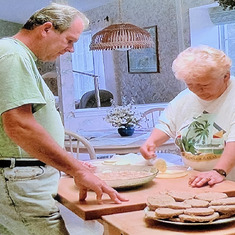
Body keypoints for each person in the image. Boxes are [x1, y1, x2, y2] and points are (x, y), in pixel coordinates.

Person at [0, 3, 127, 235]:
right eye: (70, 40)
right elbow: (19, 125)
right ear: (46, 29)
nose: (71, 49)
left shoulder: (17, 55)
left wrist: (71, 164)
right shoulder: (13, 55)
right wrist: (76, 169)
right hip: (19, 180)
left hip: (21, 177)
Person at [140, 45, 235, 188]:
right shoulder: (184, 98)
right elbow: (166, 125)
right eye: (190, 84)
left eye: (204, 85)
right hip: (199, 178)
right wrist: (152, 142)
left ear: (225, 76)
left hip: (229, 180)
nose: (197, 91)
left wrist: (219, 171)